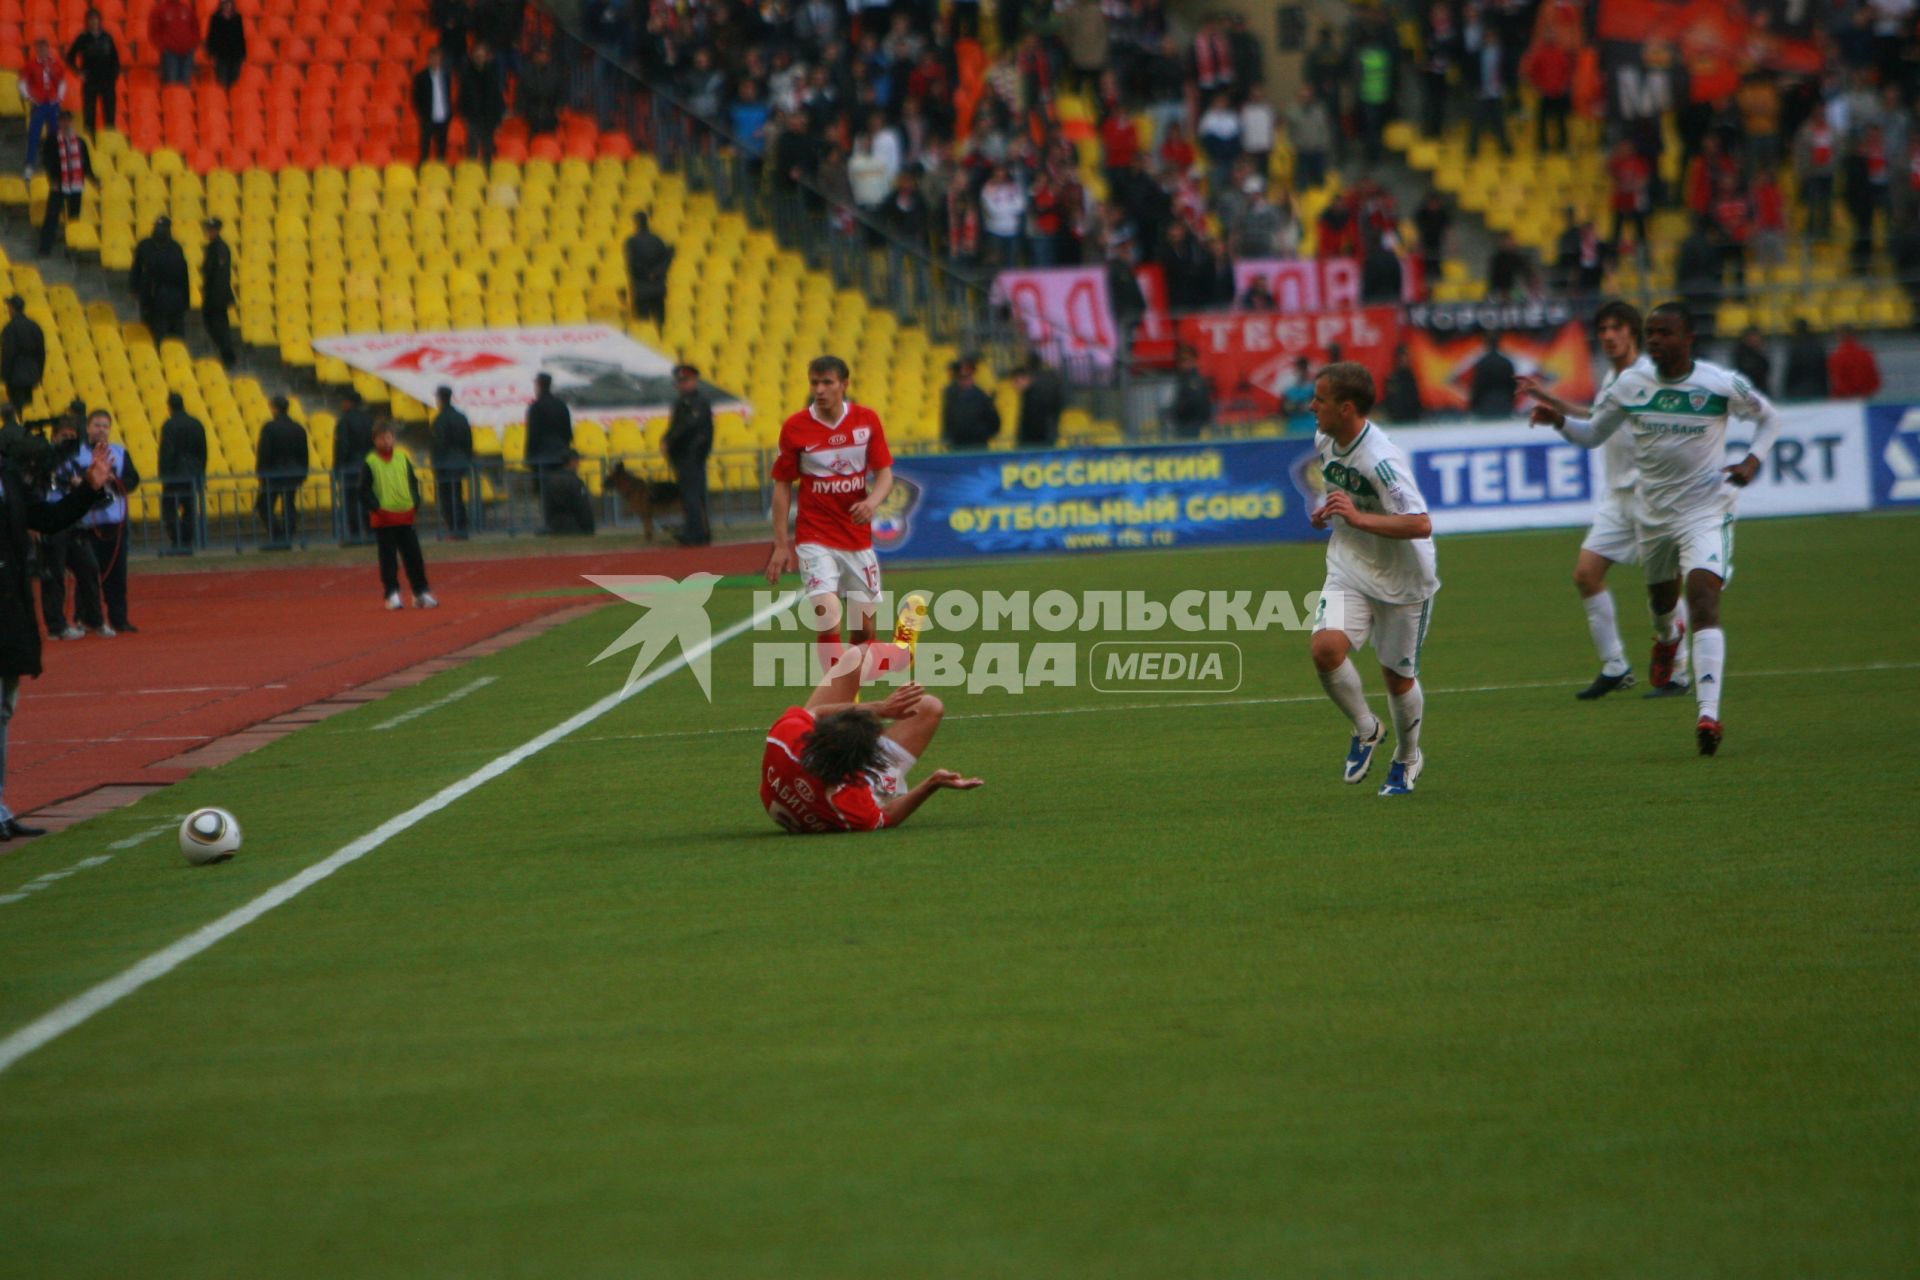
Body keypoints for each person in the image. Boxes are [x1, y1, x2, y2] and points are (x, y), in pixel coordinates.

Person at [1530, 302, 1779, 755]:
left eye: (1665, 333)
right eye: (1651, 334)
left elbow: (1769, 417)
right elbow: (1593, 435)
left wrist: (1752, 459)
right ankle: (1667, 638)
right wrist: (1560, 422)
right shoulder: (1631, 385)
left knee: (1703, 597)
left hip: (1706, 509)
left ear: (1688, 340)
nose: (1656, 340)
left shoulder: (1720, 384)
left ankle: (1708, 715)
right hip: (1653, 516)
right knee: (1663, 603)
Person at [1519, 301, 1682, 700]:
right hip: (1618, 497)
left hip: (1653, 496)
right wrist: (1552, 402)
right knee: (1586, 575)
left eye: (1616, 328)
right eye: (1603, 329)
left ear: (1632, 333)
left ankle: (1677, 672)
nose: (1608, 335)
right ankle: (1616, 666)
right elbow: (1599, 418)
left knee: (1662, 592)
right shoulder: (1613, 377)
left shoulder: (1650, 375)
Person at [1306, 361, 1440, 797]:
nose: (1312, 406)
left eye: (1320, 400)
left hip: (1403, 578)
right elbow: (1343, 494)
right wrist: (1328, 512)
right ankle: (1366, 728)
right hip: (1350, 565)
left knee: (1397, 679)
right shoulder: (1326, 439)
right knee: (1325, 650)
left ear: (1346, 408)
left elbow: (1420, 524)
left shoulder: (1382, 459)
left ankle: (1406, 758)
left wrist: (1359, 518)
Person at [0, 435, 115, 838]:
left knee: (4, 705)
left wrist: (90, 488)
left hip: (8, 605)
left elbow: (47, 518)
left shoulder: (7, 475)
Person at [761, 645, 981, 835]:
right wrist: (931, 784)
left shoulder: (784, 737)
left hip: (800, 772)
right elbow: (887, 817)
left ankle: (901, 652)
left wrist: (881, 709)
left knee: (856, 660)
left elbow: (817, 712)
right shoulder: (853, 803)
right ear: (860, 768)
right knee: (929, 707)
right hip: (842, 793)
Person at [766, 355, 895, 676]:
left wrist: (873, 502)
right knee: (827, 615)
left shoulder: (866, 421)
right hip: (815, 536)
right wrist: (781, 545)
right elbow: (782, 487)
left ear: (844, 385)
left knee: (864, 630)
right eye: (814, 383)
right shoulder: (796, 428)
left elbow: (885, 474)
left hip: (856, 537)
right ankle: (834, 692)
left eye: (827, 383)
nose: (820, 390)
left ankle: (859, 671)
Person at [37, 405, 106, 639]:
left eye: (71, 436)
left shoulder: (82, 457)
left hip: (74, 521)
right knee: (54, 574)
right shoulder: (43, 459)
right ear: (54, 437)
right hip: (52, 519)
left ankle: (92, 619)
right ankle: (57, 626)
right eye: (63, 436)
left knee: (89, 568)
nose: (67, 440)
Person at [359, 419, 438, 609]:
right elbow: (363, 491)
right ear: (375, 440)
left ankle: (420, 592)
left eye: (388, 437)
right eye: (381, 438)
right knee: (388, 559)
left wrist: (415, 503)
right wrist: (377, 508)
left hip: (405, 515)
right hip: (384, 518)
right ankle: (392, 594)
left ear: (393, 438)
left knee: (414, 557)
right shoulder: (370, 462)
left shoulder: (403, 458)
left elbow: (412, 483)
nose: (385, 441)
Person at [74, 409, 139, 633]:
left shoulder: (120, 453)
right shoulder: (78, 454)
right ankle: (85, 618)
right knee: (86, 575)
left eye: (105, 426)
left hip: (114, 525)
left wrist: (115, 480)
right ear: (88, 428)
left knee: (116, 574)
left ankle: (119, 619)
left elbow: (132, 480)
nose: (101, 430)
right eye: (97, 425)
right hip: (86, 524)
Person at [663, 363, 712, 545]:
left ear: (694, 381)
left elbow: (688, 427)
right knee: (689, 496)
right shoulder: (682, 403)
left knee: (693, 496)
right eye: (680, 382)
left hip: (693, 455)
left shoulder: (698, 403)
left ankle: (697, 533)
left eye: (685, 381)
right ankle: (694, 530)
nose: (682, 385)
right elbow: (676, 426)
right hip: (683, 456)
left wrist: (670, 439)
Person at [36, 112, 91, 259]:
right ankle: (44, 248)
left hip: (76, 185)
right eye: (64, 121)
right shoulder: (52, 141)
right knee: (52, 216)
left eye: (69, 121)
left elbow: (86, 163)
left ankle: (72, 248)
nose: (67, 124)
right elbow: (47, 161)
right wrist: (52, 180)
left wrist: (92, 178)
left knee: (74, 218)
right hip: (58, 184)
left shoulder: (80, 142)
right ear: (60, 123)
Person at [255, 394, 308, 546]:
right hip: (293, 473)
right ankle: (288, 535)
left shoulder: (269, 428)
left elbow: (264, 452)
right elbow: (304, 453)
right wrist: (302, 472)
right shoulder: (298, 428)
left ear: (274, 408)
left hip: (274, 474)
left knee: (264, 505)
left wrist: (262, 473)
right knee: (289, 504)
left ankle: (278, 535)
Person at [157, 390, 206, 554]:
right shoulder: (196, 423)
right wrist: (200, 472)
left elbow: (167, 452)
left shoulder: (169, 425)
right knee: (190, 508)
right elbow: (203, 451)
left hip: (175, 474)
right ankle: (187, 540)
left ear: (170, 406)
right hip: (192, 473)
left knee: (169, 509)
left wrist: (164, 473)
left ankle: (177, 540)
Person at [131, 216, 189, 338]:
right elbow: (136, 268)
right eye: (158, 227)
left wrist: (185, 301)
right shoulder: (145, 246)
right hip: (151, 298)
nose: (160, 230)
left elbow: (183, 277)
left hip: (173, 298)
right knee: (154, 333)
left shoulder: (175, 248)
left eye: (163, 227)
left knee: (175, 336)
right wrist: (134, 288)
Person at [65, 10, 120, 135]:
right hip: (90, 82)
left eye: (96, 19)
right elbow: (70, 57)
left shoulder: (107, 37)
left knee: (110, 114)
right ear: (87, 22)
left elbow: (115, 59)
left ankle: (109, 141)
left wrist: (114, 76)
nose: (94, 22)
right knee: (89, 114)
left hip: (107, 82)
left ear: (100, 21)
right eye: (91, 19)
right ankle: (90, 142)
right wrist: (78, 72)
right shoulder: (82, 38)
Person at [524, 371, 573, 511]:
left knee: (545, 494)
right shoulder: (561, 405)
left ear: (539, 385)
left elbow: (533, 435)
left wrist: (529, 456)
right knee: (562, 491)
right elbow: (568, 433)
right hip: (561, 455)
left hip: (542, 457)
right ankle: (563, 520)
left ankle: (549, 522)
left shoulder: (535, 407)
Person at [331, 388, 375, 541]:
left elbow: (342, 446)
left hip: (350, 466)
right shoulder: (369, 419)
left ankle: (355, 533)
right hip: (368, 464)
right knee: (367, 499)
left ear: (348, 403)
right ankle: (370, 531)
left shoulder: (344, 421)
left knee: (351, 501)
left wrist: (337, 467)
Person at [429, 384, 472, 538]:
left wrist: (435, 464)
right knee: (457, 496)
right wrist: (467, 458)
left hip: (445, 464)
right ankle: (461, 528)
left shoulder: (439, 420)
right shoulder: (461, 417)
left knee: (447, 498)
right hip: (460, 461)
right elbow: (468, 441)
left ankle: (454, 529)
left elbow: (439, 444)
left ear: (440, 399)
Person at [19, 39, 65, 179]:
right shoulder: (31, 65)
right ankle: (30, 165)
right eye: (39, 49)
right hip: (39, 105)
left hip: (53, 104)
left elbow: (62, 82)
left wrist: (59, 98)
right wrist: (30, 98)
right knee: (34, 135)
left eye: (44, 48)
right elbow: (22, 83)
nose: (42, 51)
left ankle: (55, 164)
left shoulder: (56, 65)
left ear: (48, 49)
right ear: (37, 50)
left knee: (55, 135)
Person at [459, 41, 505, 166]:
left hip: (489, 118)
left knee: (488, 150)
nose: (479, 58)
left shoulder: (493, 74)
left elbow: (497, 98)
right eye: (477, 56)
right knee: (472, 151)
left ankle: (487, 176)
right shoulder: (467, 74)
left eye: (481, 56)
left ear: (486, 57)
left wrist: (498, 120)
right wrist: (466, 117)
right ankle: (472, 176)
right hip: (473, 118)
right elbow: (463, 98)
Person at [624, 211, 673, 326]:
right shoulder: (658, 239)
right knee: (660, 322)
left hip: (642, 289)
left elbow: (633, 264)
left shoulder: (632, 241)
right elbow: (667, 259)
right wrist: (656, 273)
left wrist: (646, 274)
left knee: (643, 325)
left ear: (636, 223)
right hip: (658, 287)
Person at [939, 358, 999, 450]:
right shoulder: (951, 396)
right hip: (957, 446)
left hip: (978, 446)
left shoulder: (982, 397)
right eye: (961, 378)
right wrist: (947, 437)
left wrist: (983, 434)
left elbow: (995, 422)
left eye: (968, 377)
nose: (965, 381)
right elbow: (947, 419)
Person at [200, 217, 236, 366]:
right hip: (212, 294)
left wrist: (217, 298)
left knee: (219, 326)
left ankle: (228, 356)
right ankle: (226, 354)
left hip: (217, 296)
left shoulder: (219, 248)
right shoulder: (213, 247)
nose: (209, 232)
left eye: (211, 229)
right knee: (213, 324)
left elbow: (220, 275)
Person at [411, 47, 456, 165]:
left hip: (443, 116)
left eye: (438, 58)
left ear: (441, 60)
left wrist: (449, 113)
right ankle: (423, 170)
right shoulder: (421, 77)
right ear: (429, 59)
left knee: (442, 147)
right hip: (428, 117)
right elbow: (416, 98)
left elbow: (448, 95)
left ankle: (441, 171)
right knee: (425, 146)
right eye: (433, 58)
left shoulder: (446, 76)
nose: (435, 61)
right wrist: (423, 114)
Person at [0, 295, 45, 412]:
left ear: (12, 308)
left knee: (17, 409)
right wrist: (38, 375)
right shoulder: (35, 327)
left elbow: (8, 354)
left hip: (15, 377)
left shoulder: (10, 328)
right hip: (31, 375)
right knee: (28, 409)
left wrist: (4, 375)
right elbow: (41, 354)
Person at [541, 447, 596, 535]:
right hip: (575, 527)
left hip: (555, 527)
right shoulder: (575, 481)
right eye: (577, 461)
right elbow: (583, 507)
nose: (579, 464)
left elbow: (547, 505)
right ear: (572, 462)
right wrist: (589, 528)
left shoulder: (551, 480)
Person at [1013, 356, 1064, 448]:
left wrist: (1021, 439)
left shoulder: (1032, 389)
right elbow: (1060, 403)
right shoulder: (1053, 379)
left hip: (1034, 438)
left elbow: (1029, 417)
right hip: (1050, 431)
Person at [1166, 343, 1213, 438]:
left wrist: (1177, 411)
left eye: (1187, 360)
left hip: (1192, 424)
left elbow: (1197, 402)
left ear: (1194, 361)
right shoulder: (1183, 378)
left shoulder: (1195, 380)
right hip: (1184, 423)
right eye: (1181, 361)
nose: (1184, 364)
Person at [147, 0, 199, 86]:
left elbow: (196, 28)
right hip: (170, 53)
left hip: (188, 52)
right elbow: (154, 32)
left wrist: (193, 44)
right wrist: (163, 47)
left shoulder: (187, 9)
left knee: (186, 85)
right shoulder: (159, 10)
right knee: (172, 84)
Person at [1467, 330, 1516, 418]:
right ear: (1499, 343)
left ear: (1486, 343)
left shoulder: (1482, 363)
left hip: (1485, 406)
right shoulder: (1507, 363)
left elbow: (1478, 386)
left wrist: (1473, 406)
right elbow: (1513, 387)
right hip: (1504, 405)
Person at [1827, 326, 1882, 398]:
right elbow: (1875, 379)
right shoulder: (1866, 353)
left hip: (1845, 400)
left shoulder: (1837, 356)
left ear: (1839, 336)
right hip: (1865, 397)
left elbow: (1837, 382)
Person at [1782, 319, 1829, 400]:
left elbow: (1791, 372)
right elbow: (1823, 370)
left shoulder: (1794, 347)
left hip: (1797, 391)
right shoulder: (1817, 344)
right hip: (1817, 389)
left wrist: (1786, 391)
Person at [205, 0, 246, 90]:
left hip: (235, 55)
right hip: (221, 55)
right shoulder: (215, 18)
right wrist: (211, 54)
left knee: (234, 81)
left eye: (229, 4)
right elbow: (212, 37)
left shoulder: (237, 18)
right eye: (225, 4)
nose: (227, 6)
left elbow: (241, 37)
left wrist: (243, 55)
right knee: (221, 81)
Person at [1382, 345, 1422, 424]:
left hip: (1414, 420)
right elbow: (1391, 403)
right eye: (1403, 357)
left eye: (1407, 357)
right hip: (1397, 421)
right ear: (1397, 359)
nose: (1405, 360)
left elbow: (1416, 401)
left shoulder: (1413, 377)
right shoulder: (1392, 378)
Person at [1731, 327, 1772, 396]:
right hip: (1747, 391)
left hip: (1761, 391)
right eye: (1752, 337)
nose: (1755, 340)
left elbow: (1766, 371)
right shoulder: (1741, 354)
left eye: (1757, 337)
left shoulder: (1762, 353)